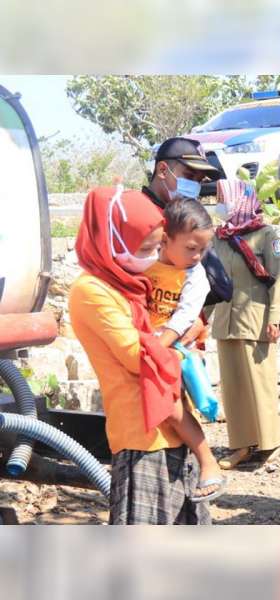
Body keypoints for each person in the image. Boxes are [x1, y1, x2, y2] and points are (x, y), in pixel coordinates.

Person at [69, 187, 210, 524]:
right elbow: (137, 357)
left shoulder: (131, 283)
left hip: (174, 421)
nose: (151, 257)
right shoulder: (92, 291)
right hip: (141, 432)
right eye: (145, 248)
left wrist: (188, 336)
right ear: (112, 238)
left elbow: (172, 334)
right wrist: (182, 352)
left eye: (155, 247)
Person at [143, 195, 224, 502]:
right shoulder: (146, 263)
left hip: (172, 348)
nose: (197, 256)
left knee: (172, 409)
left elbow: (184, 319)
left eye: (203, 250)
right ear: (165, 239)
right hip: (149, 345)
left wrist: (156, 347)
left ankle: (208, 460)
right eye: (191, 248)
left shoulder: (195, 276)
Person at [209, 179, 280, 470]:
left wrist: (275, 317)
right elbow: (212, 281)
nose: (220, 204)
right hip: (226, 321)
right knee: (234, 387)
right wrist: (202, 317)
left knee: (259, 383)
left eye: (223, 198)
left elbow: (277, 278)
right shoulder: (219, 238)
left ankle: (269, 442)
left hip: (256, 319)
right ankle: (241, 445)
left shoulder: (265, 235)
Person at [141, 137, 233, 337]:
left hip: (183, 341)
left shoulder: (187, 219)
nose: (194, 186)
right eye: (189, 176)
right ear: (163, 170)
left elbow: (222, 285)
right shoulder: (140, 216)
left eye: (199, 181)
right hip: (148, 341)